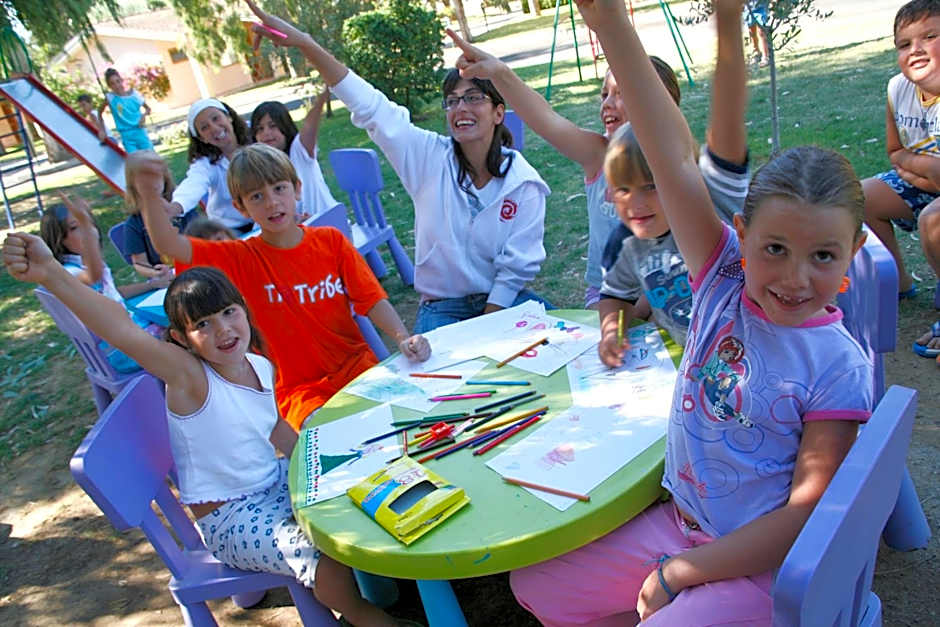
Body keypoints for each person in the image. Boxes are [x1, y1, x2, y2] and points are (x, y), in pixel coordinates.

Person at [510, 2, 873, 625]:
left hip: (764, 569)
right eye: (775, 249)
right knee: (534, 586)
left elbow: (804, 518)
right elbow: (673, 157)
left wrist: (681, 575)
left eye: (822, 256)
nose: (793, 277)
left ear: (852, 255)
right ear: (739, 234)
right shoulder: (723, 276)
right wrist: (613, 26)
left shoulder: (837, 364)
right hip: (683, 526)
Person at [1, 242, 413, 627]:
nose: (222, 330)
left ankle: (386, 580)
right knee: (323, 557)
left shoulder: (259, 365)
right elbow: (121, 330)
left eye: (229, 313)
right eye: (203, 324)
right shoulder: (191, 378)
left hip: (270, 484)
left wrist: (317, 460)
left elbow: (272, 427)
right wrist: (53, 274)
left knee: (350, 484)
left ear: (244, 311)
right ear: (181, 340)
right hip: (229, 519)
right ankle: (362, 614)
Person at [247, 1, 551, 333]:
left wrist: (487, 329)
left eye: (474, 97)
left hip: (504, 301)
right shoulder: (427, 156)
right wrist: (306, 43)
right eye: (452, 100)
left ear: (498, 113)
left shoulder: (523, 184)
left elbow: (515, 271)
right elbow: (370, 106)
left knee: (572, 349)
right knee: (435, 382)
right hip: (443, 307)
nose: (460, 107)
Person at [127, 144, 430, 430]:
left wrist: (402, 337)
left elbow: (371, 299)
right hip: (299, 394)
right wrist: (148, 193)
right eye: (256, 196)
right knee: (338, 444)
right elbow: (167, 243)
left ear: (297, 188)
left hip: (359, 370)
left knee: (411, 420)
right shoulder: (239, 257)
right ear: (240, 207)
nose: (272, 202)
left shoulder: (331, 241)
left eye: (279, 188)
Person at [448, 33, 681, 310]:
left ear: (661, 104)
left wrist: (642, 311)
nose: (607, 103)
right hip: (610, 295)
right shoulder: (599, 155)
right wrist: (500, 72)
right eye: (605, 94)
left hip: (672, 287)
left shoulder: (680, 165)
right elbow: (545, 119)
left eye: (621, 94)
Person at [595, 0, 750, 364]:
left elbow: (726, 118)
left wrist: (727, 21)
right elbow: (613, 295)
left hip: (754, 357)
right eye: (624, 189)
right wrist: (612, 331)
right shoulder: (625, 241)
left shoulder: (709, 204)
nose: (636, 204)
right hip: (693, 364)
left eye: (651, 186)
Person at [862, 0, 940, 362]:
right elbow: (895, 151)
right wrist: (924, 170)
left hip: (931, 193)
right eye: (904, 44)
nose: (916, 50)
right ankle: (897, 283)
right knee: (858, 196)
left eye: (930, 36)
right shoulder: (898, 89)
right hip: (922, 180)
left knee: (933, 220)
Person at [39, 193, 169, 372]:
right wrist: (90, 238)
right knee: (184, 335)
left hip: (130, 335)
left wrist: (153, 284)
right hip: (124, 351)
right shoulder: (70, 272)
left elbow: (114, 292)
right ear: (59, 238)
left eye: (89, 222)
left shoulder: (82, 265)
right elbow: (94, 277)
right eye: (77, 227)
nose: (88, 230)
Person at [170, 99, 254, 233]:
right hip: (229, 228)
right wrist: (176, 207)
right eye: (205, 127)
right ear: (202, 138)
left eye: (216, 118)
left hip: (265, 216)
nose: (214, 128)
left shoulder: (257, 137)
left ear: (229, 117)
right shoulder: (205, 163)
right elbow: (193, 184)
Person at [251, 94, 338, 219]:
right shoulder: (262, 168)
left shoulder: (298, 151)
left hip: (329, 223)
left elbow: (309, 127)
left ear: (285, 126)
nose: (266, 133)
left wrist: (322, 98)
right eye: (260, 129)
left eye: (273, 126)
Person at [122, 156, 179, 281]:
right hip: (166, 280)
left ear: (165, 177)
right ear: (133, 185)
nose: (152, 183)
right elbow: (139, 263)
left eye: (155, 176)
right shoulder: (134, 223)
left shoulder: (180, 207)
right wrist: (156, 273)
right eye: (144, 179)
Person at [99, 68, 153, 153]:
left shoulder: (134, 95)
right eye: (112, 84)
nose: (116, 86)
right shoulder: (110, 98)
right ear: (109, 86)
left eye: (118, 81)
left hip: (140, 131)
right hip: (126, 136)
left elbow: (148, 109)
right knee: (136, 163)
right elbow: (99, 112)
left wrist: (143, 116)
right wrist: (102, 130)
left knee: (151, 159)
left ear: (121, 80)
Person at [745, 1, 770, 67]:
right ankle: (757, 53)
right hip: (748, 7)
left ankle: (765, 56)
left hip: (760, 6)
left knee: (761, 31)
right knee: (751, 31)